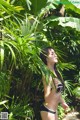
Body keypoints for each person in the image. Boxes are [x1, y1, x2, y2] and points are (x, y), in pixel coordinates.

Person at [40, 47, 69, 120]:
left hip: (54, 111)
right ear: (46, 58)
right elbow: (46, 97)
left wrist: (62, 102)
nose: (56, 55)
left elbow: (57, 92)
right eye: (52, 54)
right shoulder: (47, 74)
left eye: (55, 53)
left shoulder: (56, 72)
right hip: (48, 111)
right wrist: (53, 90)